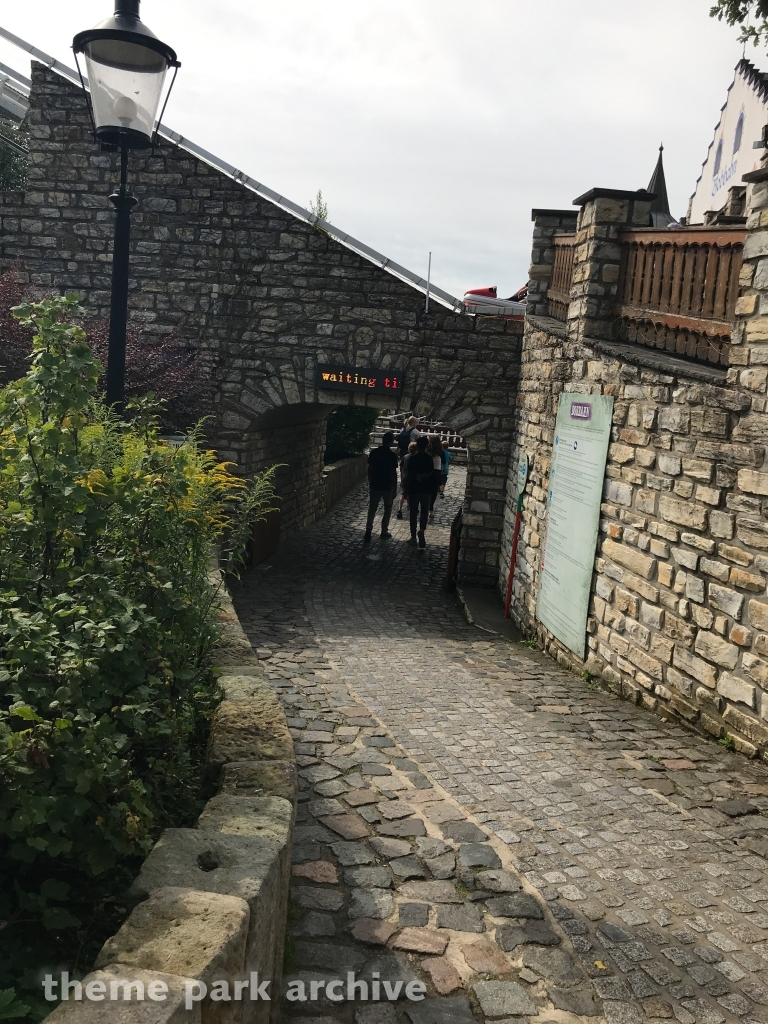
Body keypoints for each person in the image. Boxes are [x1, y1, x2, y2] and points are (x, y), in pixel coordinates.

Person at [364, 431, 398, 542]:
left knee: (372, 508)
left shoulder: (374, 453)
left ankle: (368, 530)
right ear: (391, 442)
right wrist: (395, 488)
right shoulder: (392, 456)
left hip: (375, 484)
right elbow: (393, 473)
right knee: (387, 509)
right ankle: (384, 531)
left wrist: (370, 482)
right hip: (387, 485)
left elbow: (370, 469)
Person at [404, 435, 434, 548]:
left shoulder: (413, 458)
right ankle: (421, 530)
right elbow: (432, 473)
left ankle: (413, 537)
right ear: (426, 446)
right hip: (426, 488)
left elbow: (409, 475)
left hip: (414, 488)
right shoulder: (429, 458)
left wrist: (406, 490)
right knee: (424, 512)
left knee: (413, 513)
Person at [396, 416, 420, 519]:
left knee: (403, 470)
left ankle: (403, 482)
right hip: (412, 454)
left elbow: (399, 441)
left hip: (403, 453)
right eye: (417, 422)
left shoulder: (403, 429)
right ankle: (410, 503)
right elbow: (419, 443)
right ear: (414, 422)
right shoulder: (415, 431)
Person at [427, 435, 444, 522]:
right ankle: (431, 508)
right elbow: (444, 462)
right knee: (433, 492)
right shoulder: (441, 451)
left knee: (426, 491)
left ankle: (425, 506)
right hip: (437, 472)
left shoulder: (428, 450)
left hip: (427, 472)